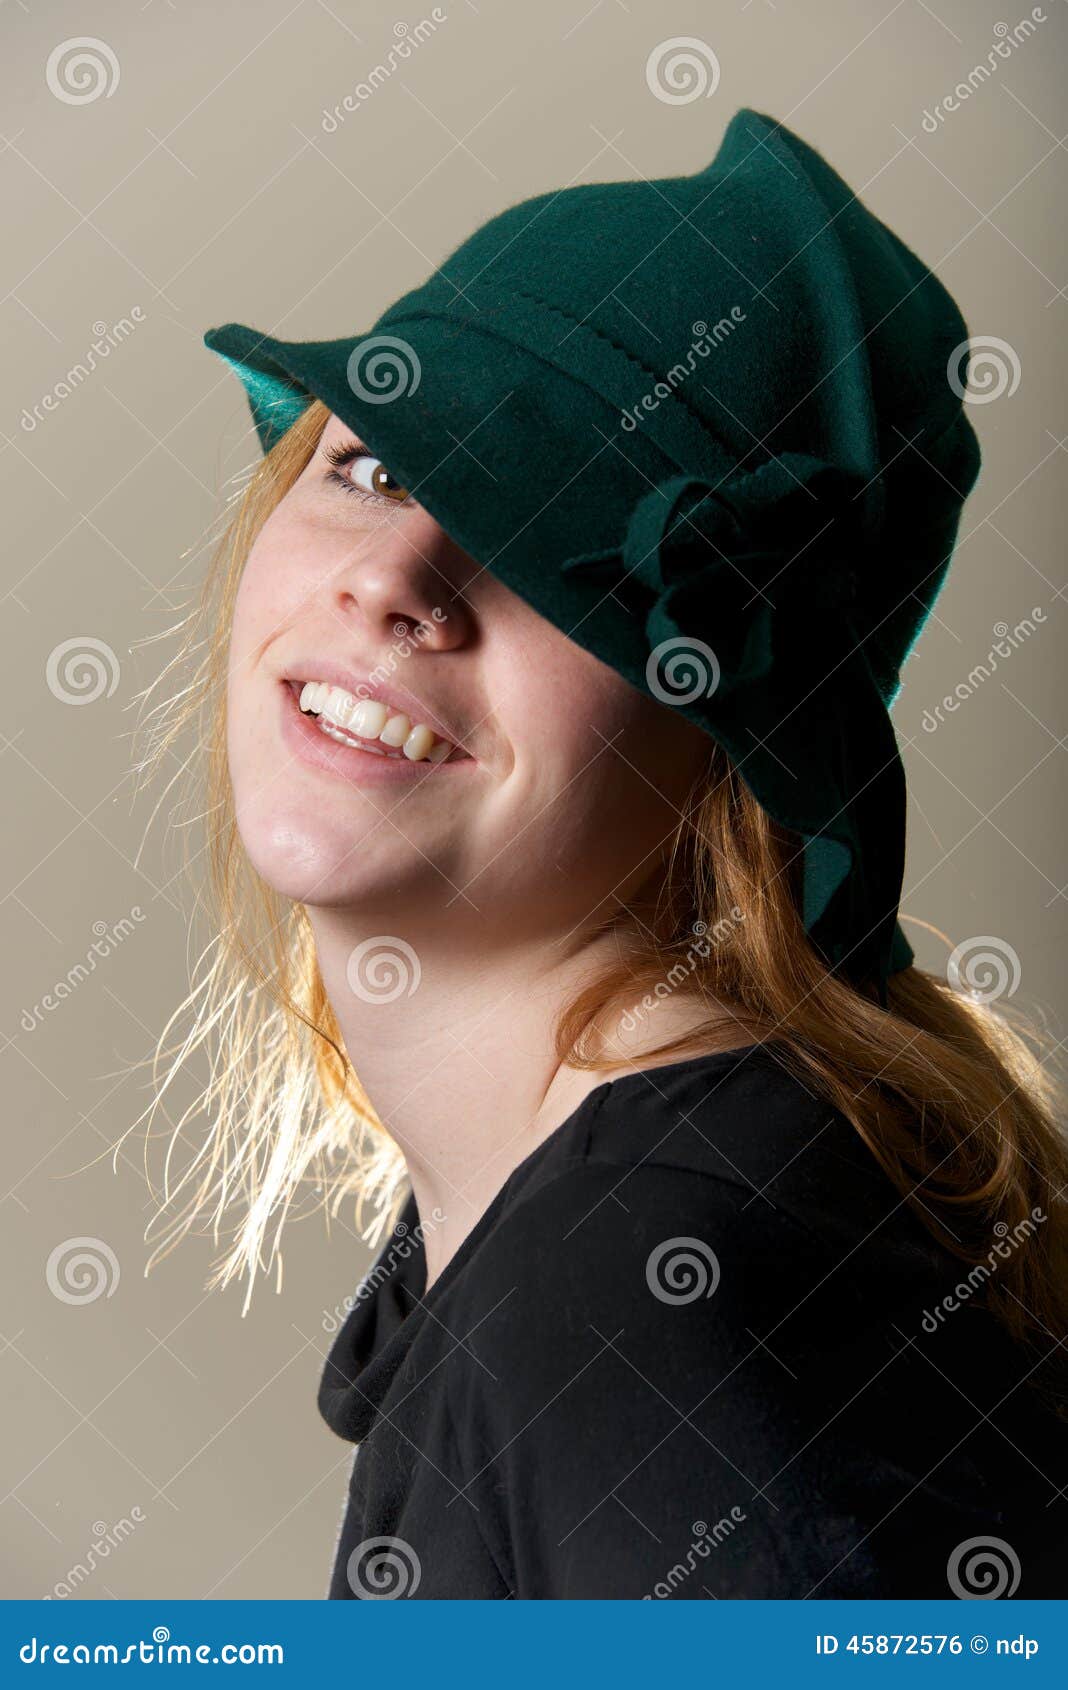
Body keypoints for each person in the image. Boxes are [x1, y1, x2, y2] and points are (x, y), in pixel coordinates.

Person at [136, 108, 1067, 1597]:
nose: (398, 578)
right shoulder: (642, 1224)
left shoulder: (635, 1307)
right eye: (376, 468)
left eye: (551, 535)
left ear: (734, 728)